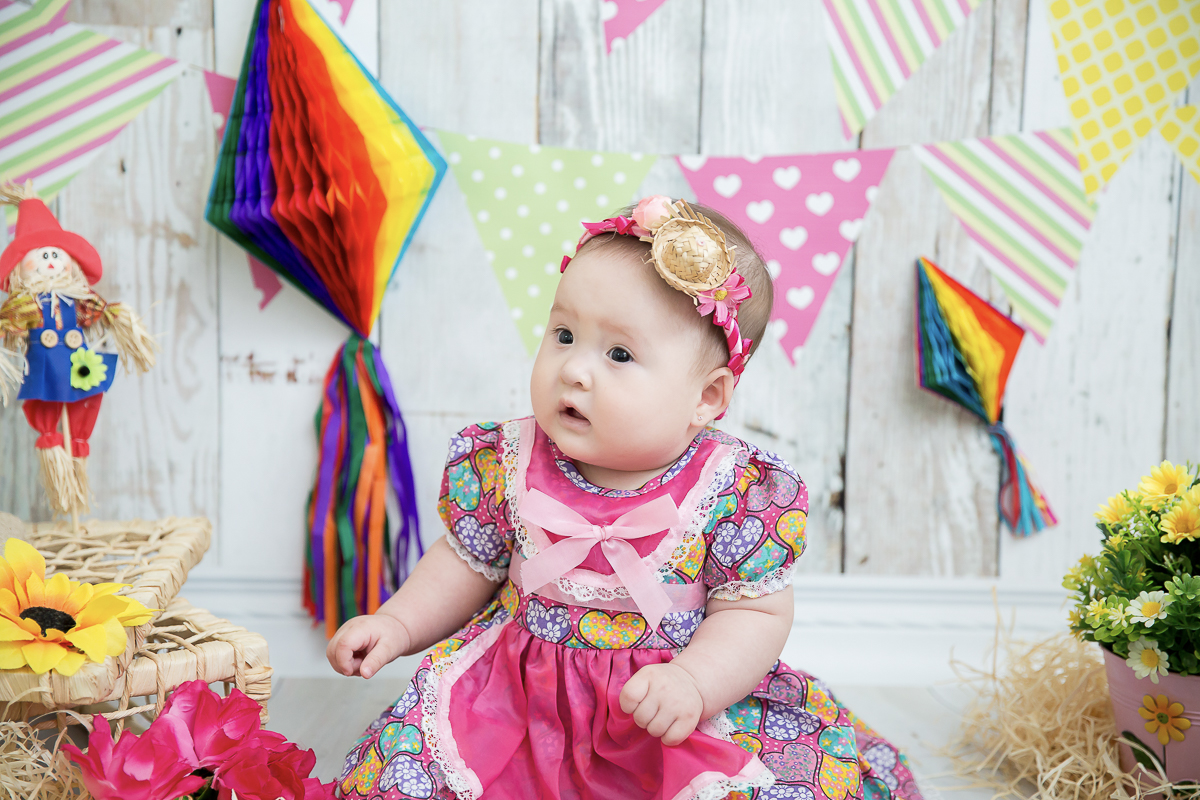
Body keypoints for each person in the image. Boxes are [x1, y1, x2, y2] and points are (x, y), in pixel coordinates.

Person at [329, 196, 922, 800]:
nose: (575, 370)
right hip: (516, 702)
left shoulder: (732, 490)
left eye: (619, 354)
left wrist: (694, 682)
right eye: (563, 334)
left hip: (664, 712)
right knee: (414, 775)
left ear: (708, 398)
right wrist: (397, 623)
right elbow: (465, 563)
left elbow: (754, 614)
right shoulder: (506, 461)